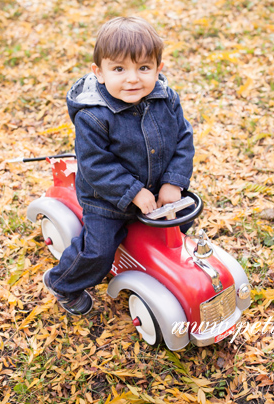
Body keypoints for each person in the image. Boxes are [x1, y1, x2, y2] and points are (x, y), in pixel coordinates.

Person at [43, 16, 195, 315]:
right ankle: (63, 281)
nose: (132, 79)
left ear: (158, 69)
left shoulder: (166, 99)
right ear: (99, 73)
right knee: (98, 250)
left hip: (158, 186)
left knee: (183, 220)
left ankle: (166, 270)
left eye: (143, 68)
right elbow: (96, 165)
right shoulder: (93, 117)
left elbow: (183, 139)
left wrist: (173, 182)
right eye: (119, 69)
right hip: (108, 200)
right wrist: (134, 192)